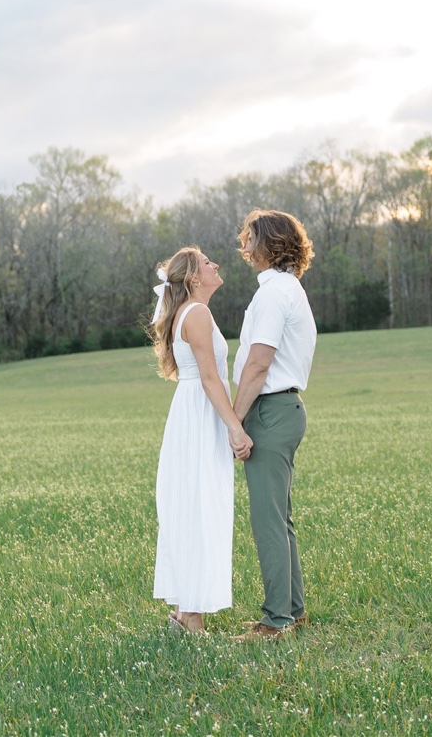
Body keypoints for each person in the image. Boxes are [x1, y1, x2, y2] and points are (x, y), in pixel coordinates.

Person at [149, 246, 254, 634]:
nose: (216, 265)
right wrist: (235, 427)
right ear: (194, 277)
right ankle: (191, 617)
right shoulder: (197, 313)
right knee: (200, 506)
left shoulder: (188, 313)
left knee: (193, 505)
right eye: (208, 262)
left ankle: (185, 611)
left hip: (193, 413)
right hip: (200, 416)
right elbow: (211, 378)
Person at [231, 209, 316, 641]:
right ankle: (294, 610)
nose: (243, 247)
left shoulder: (272, 295)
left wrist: (235, 419)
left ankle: (275, 620)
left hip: (269, 410)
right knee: (280, 519)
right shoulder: (289, 289)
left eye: (250, 239)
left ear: (270, 244)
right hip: (286, 409)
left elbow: (259, 363)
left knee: (268, 520)